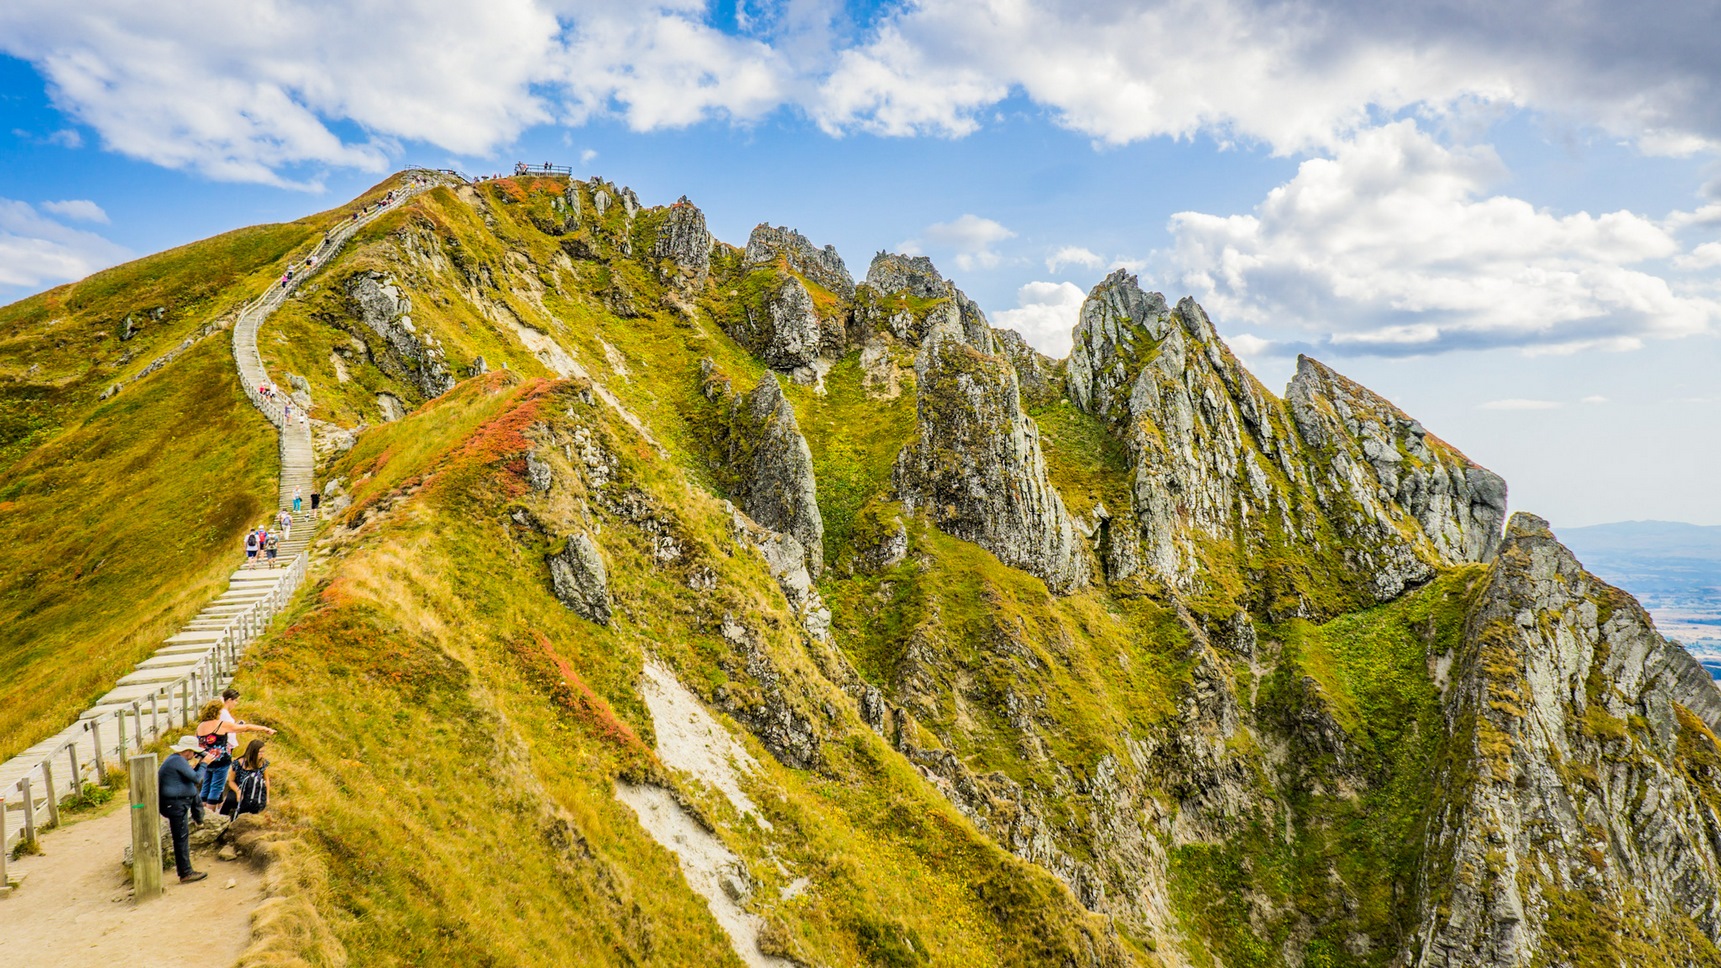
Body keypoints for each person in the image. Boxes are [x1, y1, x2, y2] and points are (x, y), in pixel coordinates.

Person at [196, 697, 274, 811]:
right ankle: (209, 816)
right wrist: (264, 728)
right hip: (221, 762)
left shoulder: (200, 726)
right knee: (216, 789)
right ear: (217, 712)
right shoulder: (221, 725)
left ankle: (201, 813)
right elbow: (245, 728)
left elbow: (197, 744)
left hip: (206, 761)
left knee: (205, 787)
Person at [159, 736, 212, 883]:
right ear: (187, 751)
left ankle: (185, 871)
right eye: (194, 752)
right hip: (175, 805)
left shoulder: (175, 760)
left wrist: (200, 764)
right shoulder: (178, 760)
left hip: (175, 803)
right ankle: (185, 873)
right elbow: (196, 779)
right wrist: (204, 764)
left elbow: (188, 777)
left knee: (181, 838)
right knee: (181, 839)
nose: (195, 755)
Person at [222, 738, 270, 818]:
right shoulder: (238, 763)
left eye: (263, 752)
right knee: (229, 799)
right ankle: (222, 818)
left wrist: (267, 797)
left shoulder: (263, 763)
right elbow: (231, 781)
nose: (262, 754)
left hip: (254, 790)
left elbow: (266, 780)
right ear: (253, 752)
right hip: (239, 787)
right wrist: (238, 791)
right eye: (260, 752)